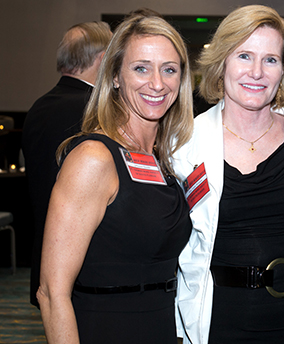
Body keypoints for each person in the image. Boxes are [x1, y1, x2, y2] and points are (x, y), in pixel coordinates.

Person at [172, 5, 284, 344]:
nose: (256, 72)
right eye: (244, 56)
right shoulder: (184, 143)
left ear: (283, 70)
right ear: (222, 63)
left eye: (270, 59)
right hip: (221, 321)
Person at [36, 14, 193, 344]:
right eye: (141, 68)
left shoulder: (163, 158)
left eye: (169, 69)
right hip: (105, 329)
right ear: (116, 76)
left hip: (159, 327)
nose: (157, 83)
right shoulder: (94, 158)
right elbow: (52, 292)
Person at [22, 21, 112, 308]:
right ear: (102, 60)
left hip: (45, 257)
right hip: (85, 269)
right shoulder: (95, 110)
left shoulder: (38, 106)